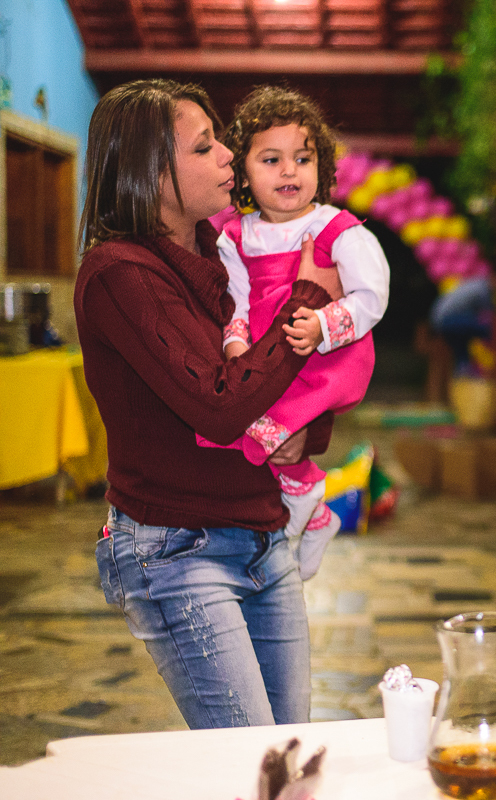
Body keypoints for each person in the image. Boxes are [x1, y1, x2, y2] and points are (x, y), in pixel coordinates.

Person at [75, 79, 341, 728]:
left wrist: (308, 432)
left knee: (287, 760)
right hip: (176, 548)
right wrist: (308, 301)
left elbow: (281, 380)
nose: (229, 155)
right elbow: (221, 405)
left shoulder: (224, 260)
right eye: (205, 147)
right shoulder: (120, 274)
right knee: (245, 769)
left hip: (262, 532)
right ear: (150, 173)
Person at [201, 86, 390, 579]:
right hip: (266, 355)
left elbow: (372, 293)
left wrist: (326, 324)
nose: (289, 171)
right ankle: (315, 506)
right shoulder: (235, 236)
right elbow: (235, 301)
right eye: (270, 159)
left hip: (323, 358)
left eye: (302, 158)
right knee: (252, 431)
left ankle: (303, 503)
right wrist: (235, 341)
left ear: (322, 168)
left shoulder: (337, 228)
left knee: (270, 430)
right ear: (241, 172)